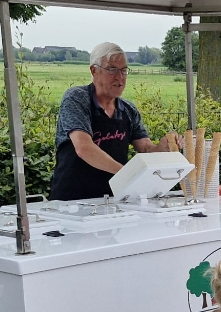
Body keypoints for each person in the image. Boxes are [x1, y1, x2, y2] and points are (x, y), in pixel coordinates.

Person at [50, 42, 179, 200]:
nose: (120, 77)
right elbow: (84, 148)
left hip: (115, 200)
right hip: (72, 202)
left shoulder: (128, 110)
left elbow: (145, 149)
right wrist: (128, 174)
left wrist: (162, 147)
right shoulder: (77, 99)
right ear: (94, 70)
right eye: (112, 69)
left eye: (124, 70)